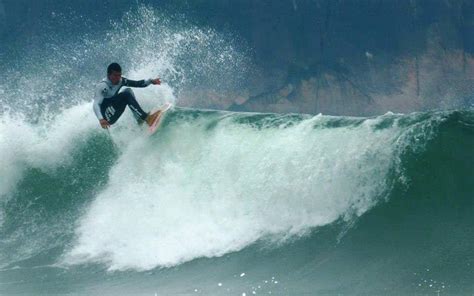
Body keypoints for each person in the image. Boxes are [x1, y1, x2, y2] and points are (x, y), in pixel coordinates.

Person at [93, 62, 162, 129]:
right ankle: (147, 119)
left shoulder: (120, 81)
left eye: (119, 75)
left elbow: (137, 84)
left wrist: (151, 81)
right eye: (115, 75)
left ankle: (139, 119)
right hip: (106, 116)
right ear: (108, 75)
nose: (118, 78)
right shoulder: (102, 86)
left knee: (128, 91)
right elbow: (96, 104)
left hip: (114, 109)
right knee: (126, 95)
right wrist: (101, 119)